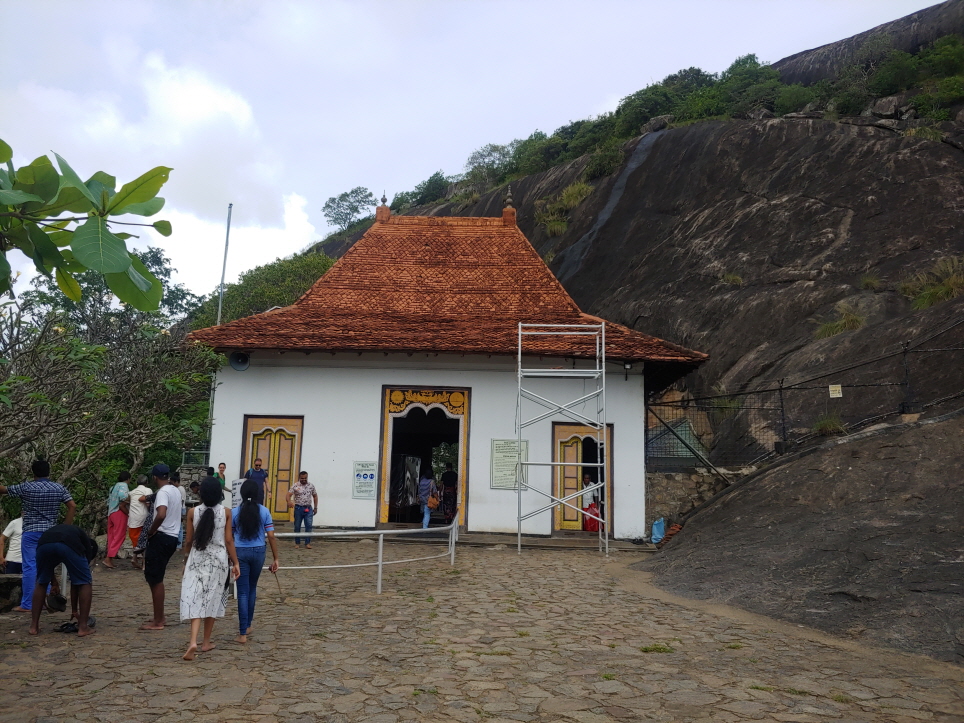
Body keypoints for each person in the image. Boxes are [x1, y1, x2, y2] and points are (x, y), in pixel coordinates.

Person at [0, 460, 75, 612]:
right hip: (51, 533)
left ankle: (28, 604)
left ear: (33, 472)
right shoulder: (58, 488)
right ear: (49, 472)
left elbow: (3, 490)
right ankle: (46, 600)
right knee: (46, 565)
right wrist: (65, 527)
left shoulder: (26, 487)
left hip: (31, 532)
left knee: (30, 567)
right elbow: (72, 506)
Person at [179, 477, 239, 660]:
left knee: (195, 598)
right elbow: (228, 540)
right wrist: (236, 562)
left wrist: (185, 560)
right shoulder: (226, 512)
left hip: (197, 559)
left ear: (201, 493)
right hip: (218, 561)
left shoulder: (193, 512)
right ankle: (206, 642)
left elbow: (189, 541)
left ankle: (192, 641)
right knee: (213, 598)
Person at [29, 524, 98, 637]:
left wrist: (54, 583)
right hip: (66, 543)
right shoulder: (83, 546)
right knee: (85, 582)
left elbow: (48, 568)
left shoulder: (73, 532)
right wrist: (74, 610)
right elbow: (78, 582)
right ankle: (83, 627)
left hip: (44, 545)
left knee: (41, 582)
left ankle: (33, 627)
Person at [233, 479, 279, 644]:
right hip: (259, 551)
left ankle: (242, 633)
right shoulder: (265, 511)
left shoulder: (234, 512)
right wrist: (276, 558)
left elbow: (229, 537)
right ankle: (248, 625)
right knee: (252, 588)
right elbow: (271, 536)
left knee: (242, 592)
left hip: (240, 552)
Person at [140, 463, 182, 631]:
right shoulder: (175, 490)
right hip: (172, 537)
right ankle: (159, 615)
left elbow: (161, 514)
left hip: (162, 536)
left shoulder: (163, 492)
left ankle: (158, 620)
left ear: (155, 477)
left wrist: (151, 531)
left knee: (155, 579)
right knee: (157, 576)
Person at [103, 471, 131, 569]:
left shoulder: (113, 487)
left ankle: (109, 559)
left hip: (111, 513)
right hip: (119, 512)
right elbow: (123, 496)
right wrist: (130, 498)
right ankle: (108, 558)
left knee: (111, 536)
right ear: (128, 479)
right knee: (120, 535)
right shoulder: (123, 485)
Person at [285, 471, 317, 549]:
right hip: (298, 508)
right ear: (299, 478)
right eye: (302, 478)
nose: (304, 480)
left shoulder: (311, 486)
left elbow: (315, 496)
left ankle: (307, 543)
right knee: (297, 526)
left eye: (305, 478)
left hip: (308, 508)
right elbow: (288, 494)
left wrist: (315, 507)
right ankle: (297, 543)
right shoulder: (295, 485)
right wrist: (289, 501)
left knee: (309, 526)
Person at [126, 475, 153, 569]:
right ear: (147, 482)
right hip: (143, 518)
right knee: (145, 540)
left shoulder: (131, 492)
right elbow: (148, 504)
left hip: (133, 518)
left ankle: (134, 557)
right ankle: (144, 563)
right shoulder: (148, 490)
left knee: (136, 540)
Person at [172, 473, 187, 549]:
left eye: (173, 483)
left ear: (176, 482)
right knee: (179, 527)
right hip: (181, 508)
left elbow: (181, 501)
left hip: (180, 509)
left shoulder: (179, 489)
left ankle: (179, 545)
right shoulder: (181, 488)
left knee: (180, 528)